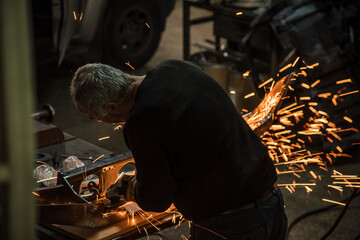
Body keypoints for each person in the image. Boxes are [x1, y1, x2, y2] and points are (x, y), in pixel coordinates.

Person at [70, 60, 287, 240]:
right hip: (272, 203)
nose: (111, 123)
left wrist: (130, 188)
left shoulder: (142, 122)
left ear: (111, 106)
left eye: (103, 118)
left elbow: (156, 200)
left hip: (232, 226)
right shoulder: (176, 68)